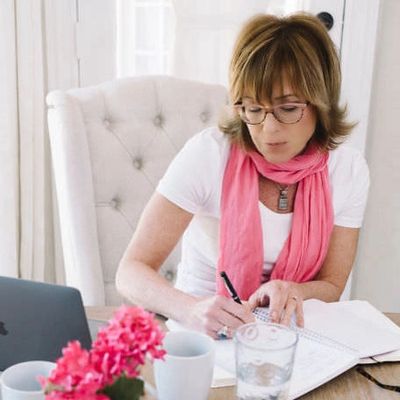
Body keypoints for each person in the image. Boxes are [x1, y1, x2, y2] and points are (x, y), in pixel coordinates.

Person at [116, 13, 369, 339]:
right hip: (203, 334)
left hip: (294, 336)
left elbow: (333, 284)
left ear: (322, 102)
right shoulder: (208, 155)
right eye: (253, 109)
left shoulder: (348, 170)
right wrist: (191, 309)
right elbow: (131, 270)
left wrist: (296, 291)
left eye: (288, 109)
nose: (269, 129)